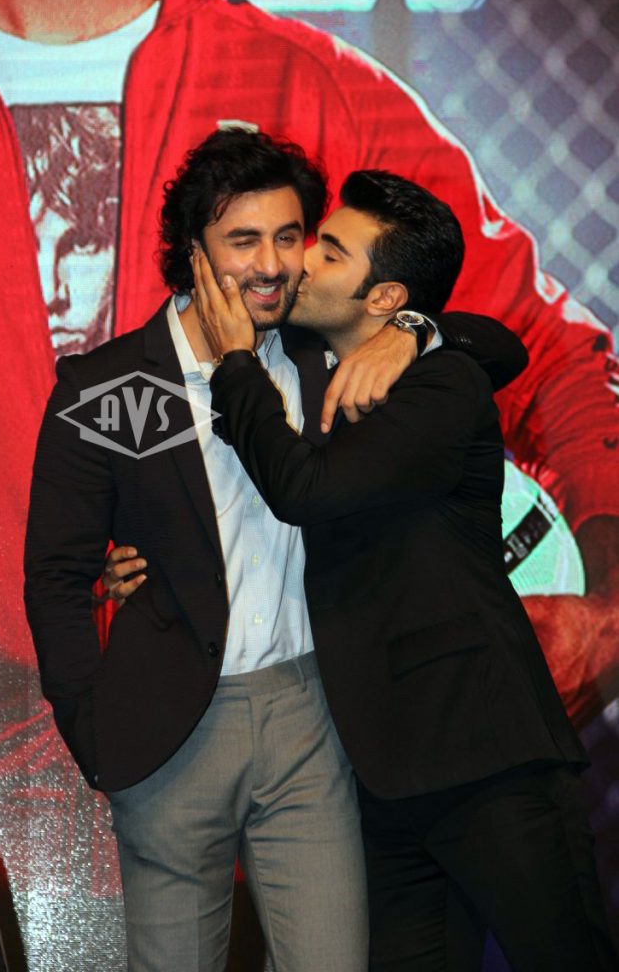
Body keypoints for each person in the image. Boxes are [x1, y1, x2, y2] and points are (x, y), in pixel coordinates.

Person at [24, 128, 526, 971]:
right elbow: (56, 575)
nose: (269, 265)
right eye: (242, 240)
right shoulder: (110, 387)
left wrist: (410, 329)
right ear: (192, 253)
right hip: (170, 729)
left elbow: (496, 346)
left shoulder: (321, 353)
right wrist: (90, 725)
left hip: (312, 719)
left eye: (289, 237)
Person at [194, 168, 619, 972]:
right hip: (383, 776)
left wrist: (240, 366)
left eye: (328, 251)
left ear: (383, 296)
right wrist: (418, 326)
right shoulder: (313, 358)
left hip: (485, 758)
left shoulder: (440, 384)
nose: (300, 260)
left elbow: (307, 490)